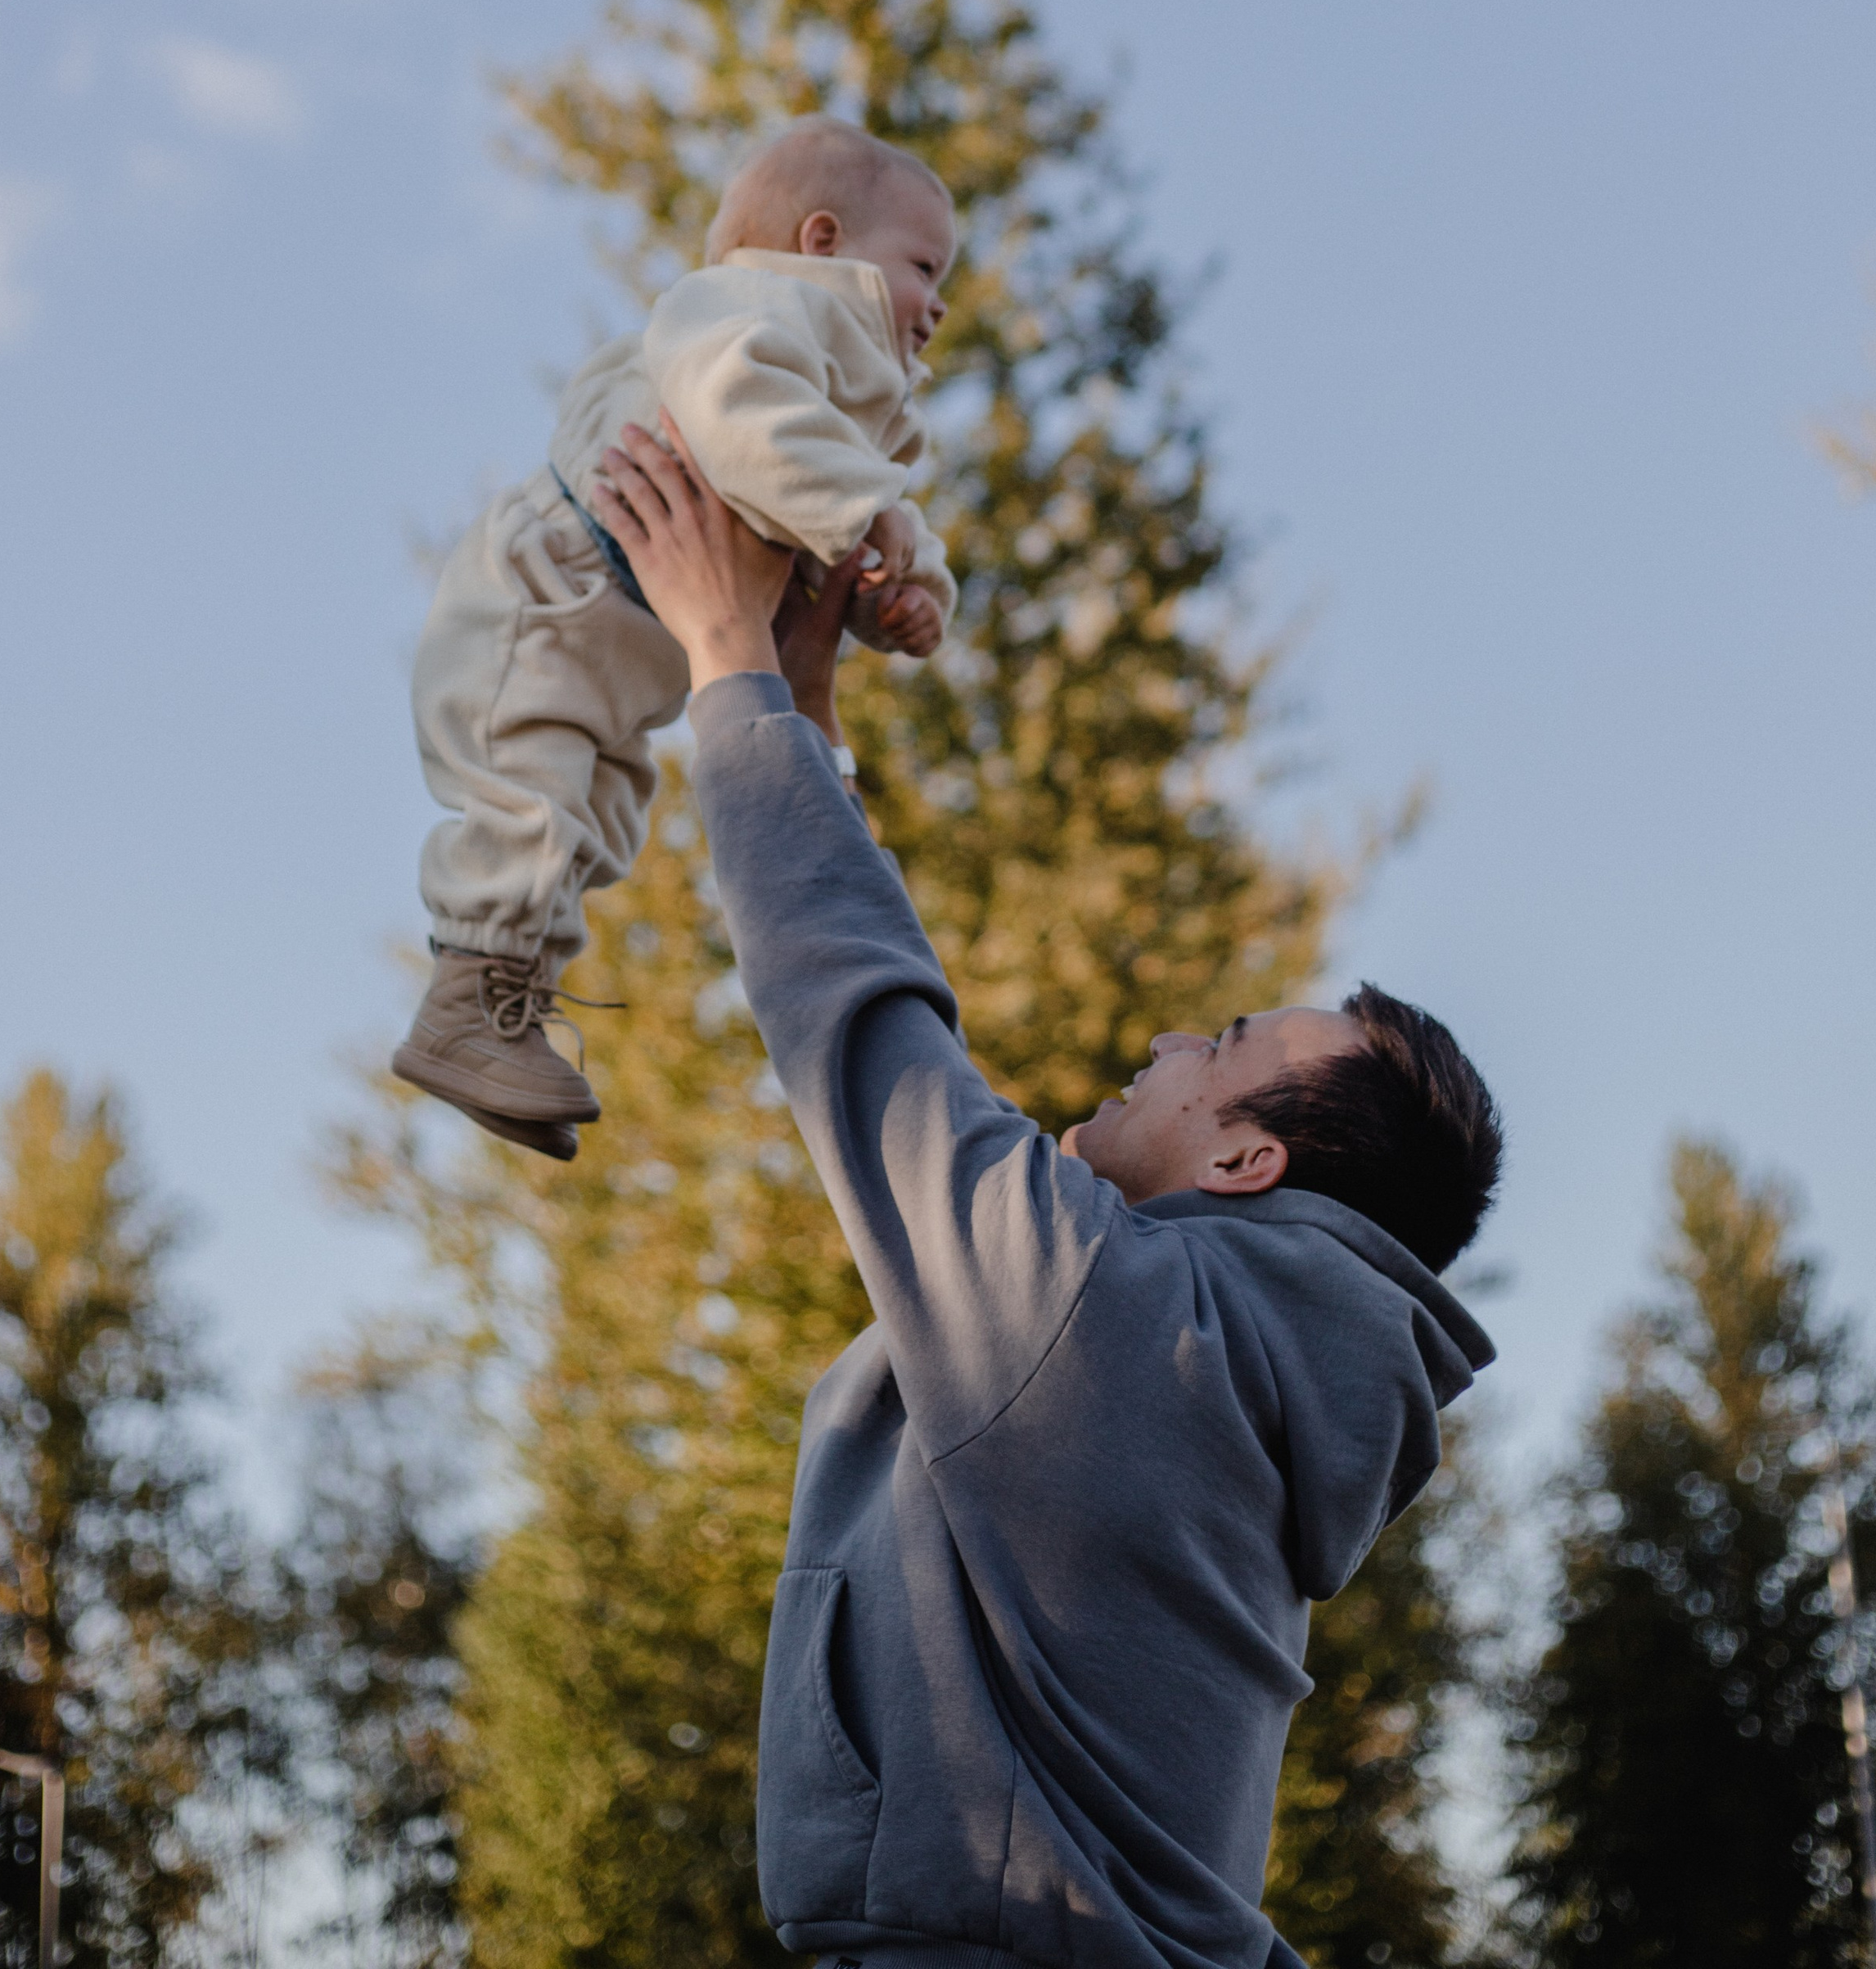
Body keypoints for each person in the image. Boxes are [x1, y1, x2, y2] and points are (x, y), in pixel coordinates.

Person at [589, 413, 1504, 1969]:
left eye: (1216, 1048)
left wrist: (728, 665)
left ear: (1242, 1161)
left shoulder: (1122, 1321)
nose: (1162, 1042)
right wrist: (806, 711)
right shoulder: (1233, 1367)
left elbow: (862, 1023)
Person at [395, 124, 958, 1158]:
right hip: (547, 598)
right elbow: (741, 416)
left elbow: (854, 503)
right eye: (927, 268)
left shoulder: (857, 413)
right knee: (531, 805)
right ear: (824, 241)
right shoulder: (743, 310)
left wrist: (904, 588)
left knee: (597, 816)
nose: (942, 304)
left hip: (630, 638)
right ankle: (469, 1010)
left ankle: (496, 1020)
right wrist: (865, 520)